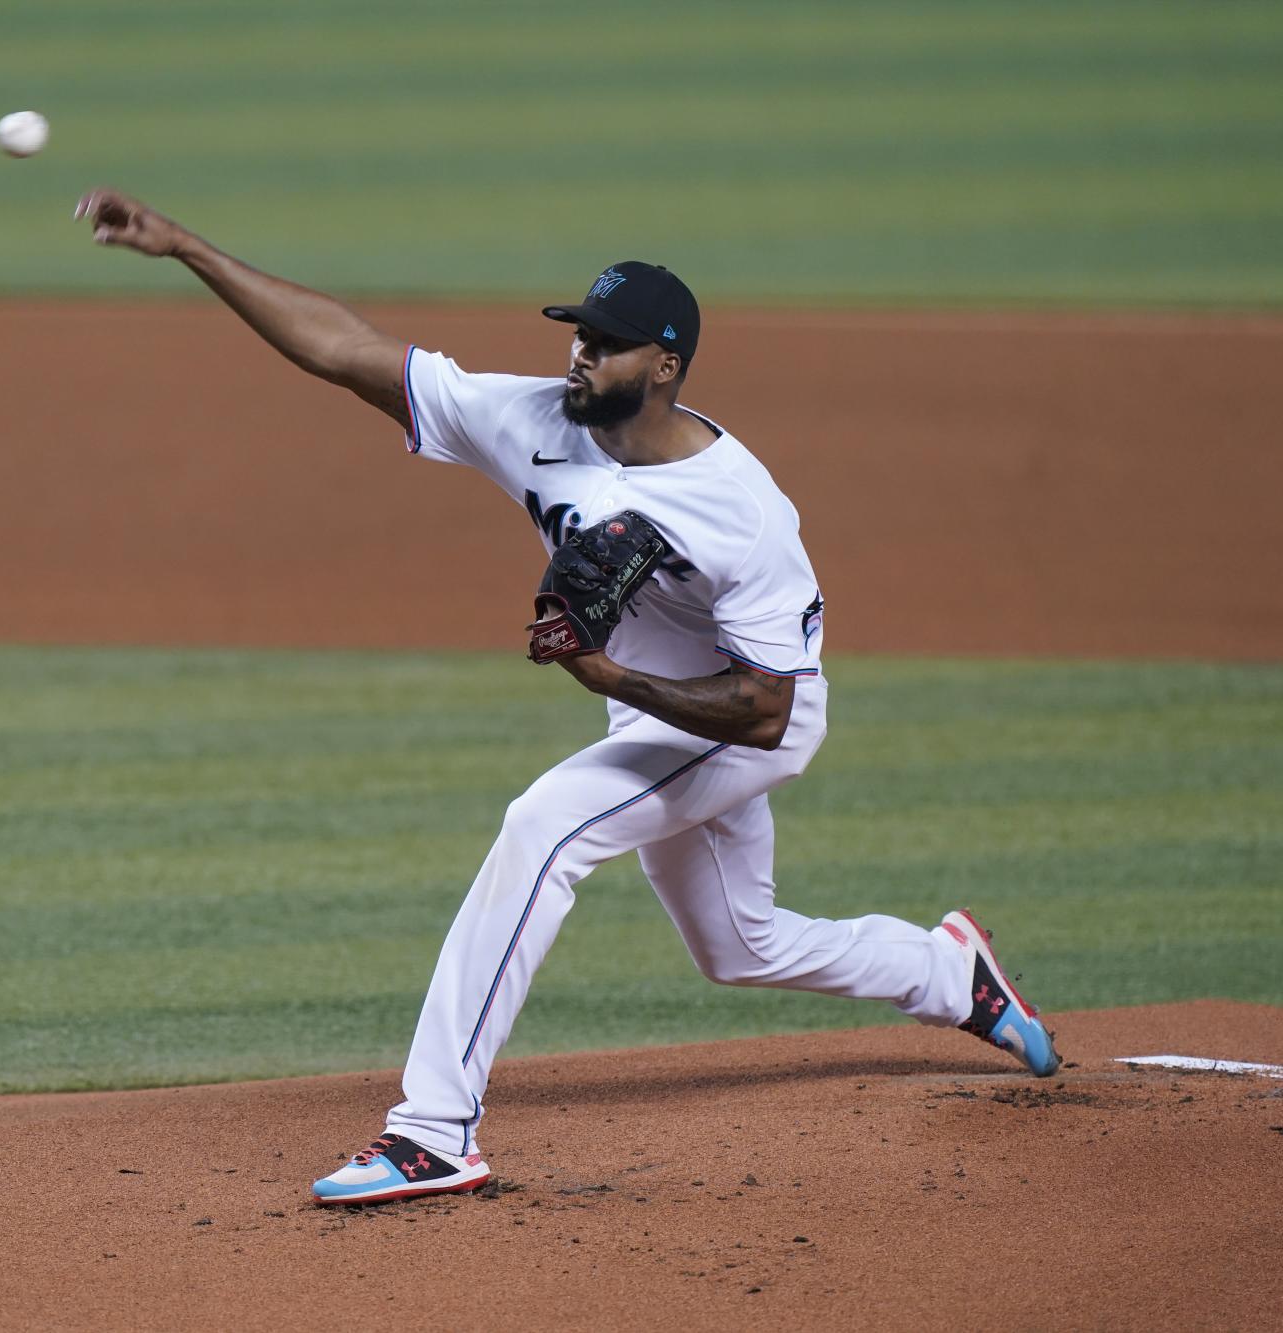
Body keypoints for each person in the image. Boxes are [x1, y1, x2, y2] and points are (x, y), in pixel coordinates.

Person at [75, 189, 1061, 1207]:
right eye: (580, 335)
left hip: (749, 719)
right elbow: (347, 350)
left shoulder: (742, 514)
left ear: (665, 367)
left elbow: (765, 707)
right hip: (654, 715)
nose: (580, 356)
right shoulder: (535, 419)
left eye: (609, 344)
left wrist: (611, 677)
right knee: (737, 944)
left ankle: (431, 1132)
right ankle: (949, 973)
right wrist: (185, 246)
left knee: (544, 823)